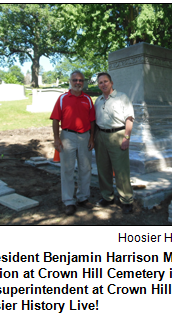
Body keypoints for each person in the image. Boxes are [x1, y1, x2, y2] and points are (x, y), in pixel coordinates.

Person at [50, 70, 95, 215]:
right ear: (70, 81)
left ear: (84, 82)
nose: (78, 83)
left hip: (85, 137)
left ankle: (83, 198)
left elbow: (92, 120)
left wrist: (92, 138)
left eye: (80, 80)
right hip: (67, 137)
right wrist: (57, 138)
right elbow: (56, 119)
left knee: (85, 168)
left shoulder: (87, 99)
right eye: (75, 80)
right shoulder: (63, 98)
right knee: (67, 169)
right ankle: (69, 201)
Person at [94, 72, 134, 214]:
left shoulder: (122, 97)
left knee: (121, 170)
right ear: (98, 85)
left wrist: (126, 138)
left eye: (105, 81)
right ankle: (107, 197)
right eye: (100, 82)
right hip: (101, 136)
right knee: (103, 168)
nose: (103, 84)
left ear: (111, 83)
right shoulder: (98, 101)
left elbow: (129, 118)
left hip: (118, 135)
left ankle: (127, 200)